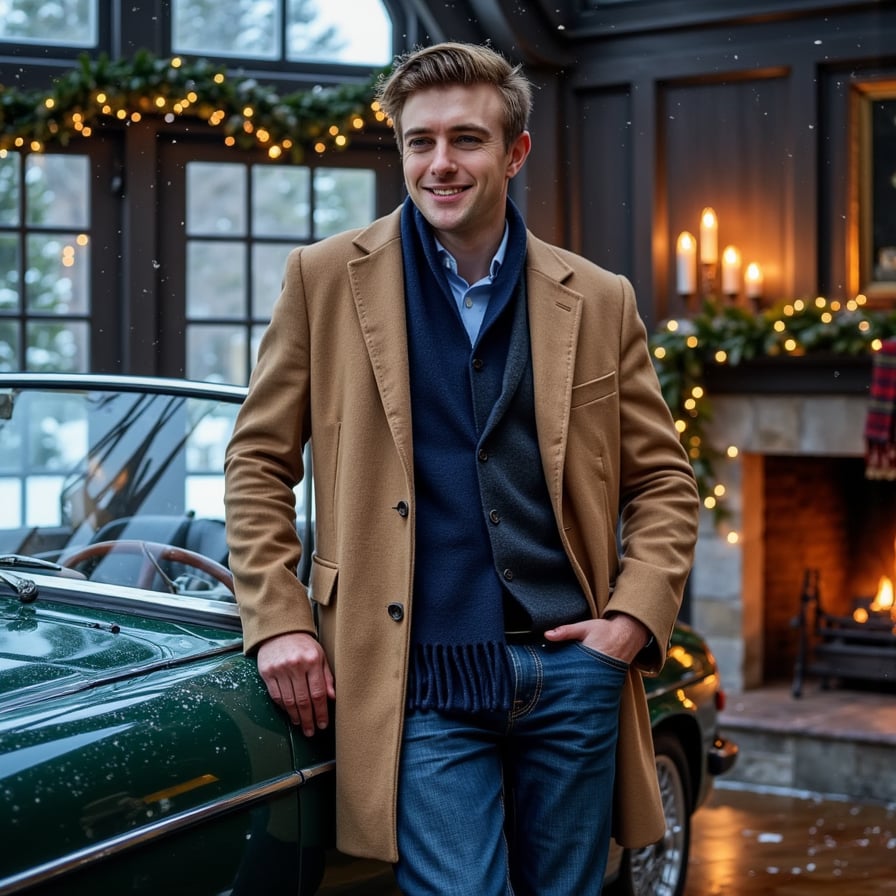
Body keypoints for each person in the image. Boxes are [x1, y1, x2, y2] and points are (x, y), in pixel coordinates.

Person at [224, 41, 699, 896]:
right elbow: (258, 460)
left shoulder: (598, 297)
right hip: (418, 679)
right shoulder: (323, 279)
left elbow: (663, 481)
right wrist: (280, 617)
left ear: (515, 153)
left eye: (467, 140)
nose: (440, 164)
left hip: (572, 672)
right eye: (419, 141)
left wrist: (629, 623)